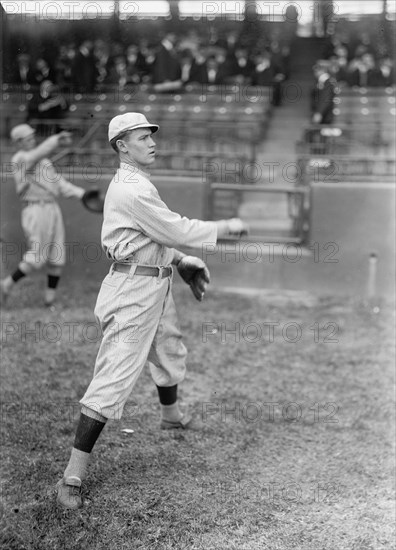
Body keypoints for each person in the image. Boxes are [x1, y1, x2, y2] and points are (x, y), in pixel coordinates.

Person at [55, 112, 249, 510]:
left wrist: (181, 262)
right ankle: (71, 476)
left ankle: (171, 416)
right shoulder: (130, 188)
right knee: (114, 375)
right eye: (141, 138)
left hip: (153, 280)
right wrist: (228, 225)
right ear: (122, 146)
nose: (151, 142)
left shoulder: (138, 181)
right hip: (132, 289)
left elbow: (156, 237)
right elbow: (175, 229)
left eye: (150, 136)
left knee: (169, 349)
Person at [0, 125, 86, 307]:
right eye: (27, 138)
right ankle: (6, 285)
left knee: (57, 255)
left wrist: (82, 194)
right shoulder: (19, 159)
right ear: (18, 143)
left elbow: (59, 184)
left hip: (52, 208)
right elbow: (36, 154)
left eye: (32, 137)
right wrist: (56, 140)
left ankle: (49, 301)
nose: (32, 140)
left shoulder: (44, 161)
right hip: (35, 209)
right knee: (38, 256)